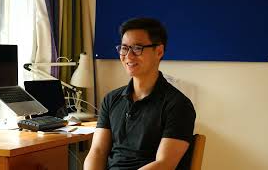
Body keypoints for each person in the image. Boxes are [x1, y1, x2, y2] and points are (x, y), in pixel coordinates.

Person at [84, 17, 196, 170]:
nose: (128, 56)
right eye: (124, 48)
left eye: (137, 48)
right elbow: (97, 152)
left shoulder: (178, 105)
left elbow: (164, 164)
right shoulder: (111, 100)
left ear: (159, 51)